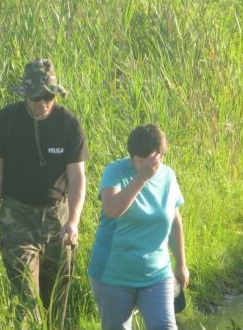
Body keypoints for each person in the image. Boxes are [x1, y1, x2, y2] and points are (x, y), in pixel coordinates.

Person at [0, 59, 88, 327]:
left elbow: (77, 177)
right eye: (36, 96)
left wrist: (73, 221)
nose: (43, 102)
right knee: (26, 301)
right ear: (25, 95)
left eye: (49, 95)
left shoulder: (69, 124)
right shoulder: (5, 121)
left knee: (57, 303)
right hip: (17, 218)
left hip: (57, 219)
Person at [88, 124, 189, 330]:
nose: (146, 166)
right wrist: (141, 178)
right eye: (139, 161)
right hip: (112, 274)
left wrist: (181, 264)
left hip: (157, 273)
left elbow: (175, 221)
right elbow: (112, 209)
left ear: (161, 155)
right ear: (132, 157)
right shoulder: (115, 171)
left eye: (151, 160)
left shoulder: (168, 176)